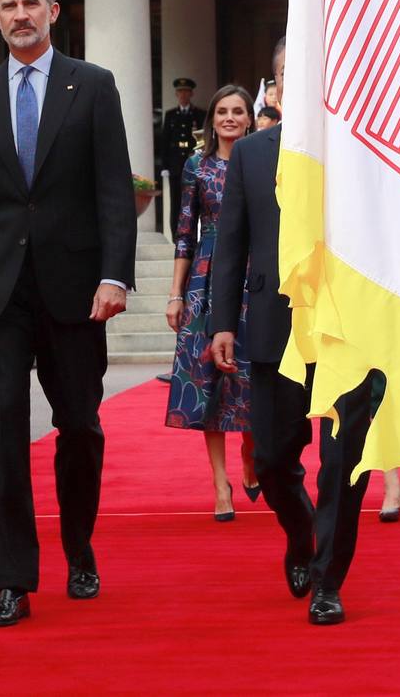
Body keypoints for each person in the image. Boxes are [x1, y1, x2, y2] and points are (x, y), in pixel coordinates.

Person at [0, 0, 136, 628]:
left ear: (54, 12)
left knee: (79, 425)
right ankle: (12, 581)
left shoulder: (94, 87)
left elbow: (114, 190)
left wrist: (116, 276)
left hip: (77, 290)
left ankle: (78, 548)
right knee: (2, 434)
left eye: (32, 3)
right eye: (9, 6)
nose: (21, 14)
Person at [209, 118, 373, 626]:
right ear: (278, 84)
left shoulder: (363, 146)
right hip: (273, 325)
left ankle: (328, 580)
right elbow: (232, 241)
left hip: (352, 328)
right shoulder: (253, 152)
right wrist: (221, 323)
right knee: (273, 458)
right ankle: (301, 533)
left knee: (342, 461)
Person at [164, 85, 258, 522]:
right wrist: (176, 293)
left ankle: (251, 454)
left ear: (250, 118)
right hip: (206, 275)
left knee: (253, 377)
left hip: (255, 277)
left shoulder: (261, 159)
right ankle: (220, 485)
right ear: (213, 118)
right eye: (222, 111)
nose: (230, 118)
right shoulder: (196, 165)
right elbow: (185, 231)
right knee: (208, 383)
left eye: (238, 111)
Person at [161, 78, 202, 239]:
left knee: (193, 200)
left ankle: (192, 235)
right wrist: (164, 166)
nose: (183, 95)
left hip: (193, 164)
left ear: (191, 93)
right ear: (176, 94)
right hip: (175, 165)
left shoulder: (199, 114)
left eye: (186, 91)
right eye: (180, 92)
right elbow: (164, 141)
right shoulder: (171, 115)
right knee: (176, 202)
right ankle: (175, 236)